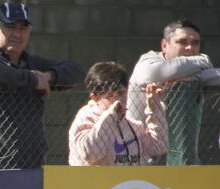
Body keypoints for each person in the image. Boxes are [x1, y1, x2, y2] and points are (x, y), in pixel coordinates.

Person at [0, 2, 82, 170]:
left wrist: (48, 77)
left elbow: (76, 71)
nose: (17, 33)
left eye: (23, 28)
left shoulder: (31, 63)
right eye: (10, 27)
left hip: (29, 169)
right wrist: (33, 80)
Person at [128, 19, 220, 166]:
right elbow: (155, 73)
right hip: (142, 160)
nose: (190, 47)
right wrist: (201, 61)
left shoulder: (197, 72)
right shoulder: (148, 61)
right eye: (182, 42)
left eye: (195, 43)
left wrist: (191, 73)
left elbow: (214, 76)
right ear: (165, 45)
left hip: (185, 161)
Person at [69, 62, 167, 166]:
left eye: (121, 93)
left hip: (128, 181)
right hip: (95, 182)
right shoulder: (86, 116)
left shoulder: (130, 124)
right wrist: (110, 115)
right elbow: (90, 153)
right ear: (95, 97)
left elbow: (159, 146)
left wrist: (155, 107)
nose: (118, 99)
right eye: (110, 96)